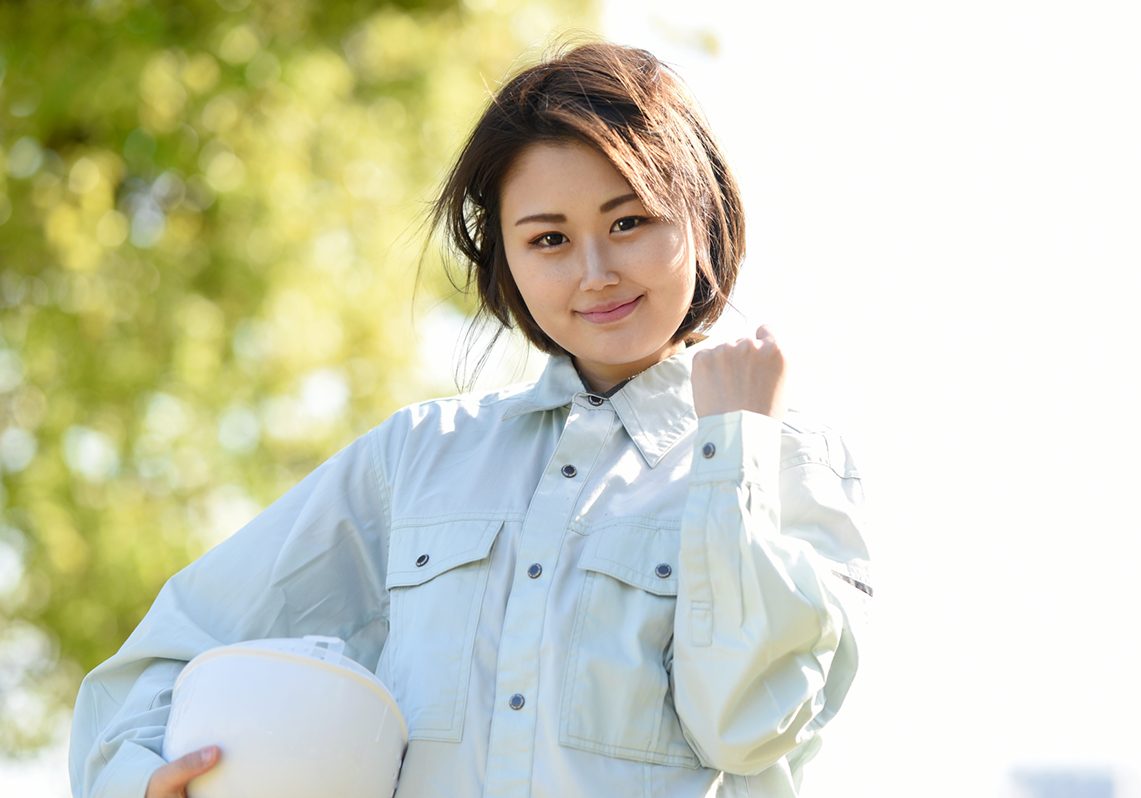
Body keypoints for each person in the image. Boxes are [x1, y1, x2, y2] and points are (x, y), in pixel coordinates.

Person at [68, 39, 872, 798]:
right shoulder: (418, 458)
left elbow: (746, 726)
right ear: (507, 262)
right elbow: (179, 640)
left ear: (701, 213)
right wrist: (137, 777)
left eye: (629, 221)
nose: (595, 273)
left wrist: (733, 453)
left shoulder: (786, 459)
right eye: (549, 238)